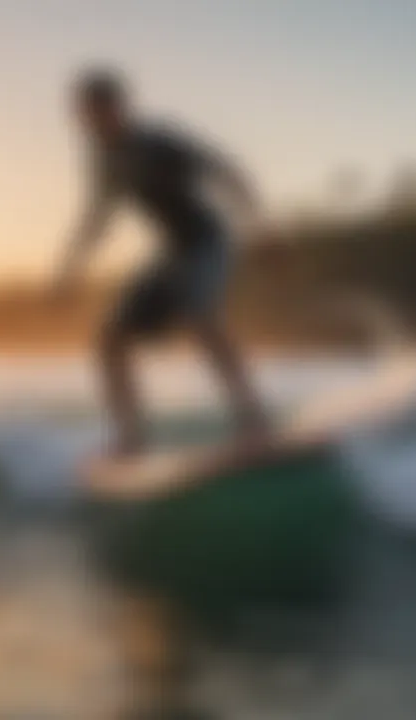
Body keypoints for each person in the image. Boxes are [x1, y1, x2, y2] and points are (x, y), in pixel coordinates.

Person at [52, 67, 271, 456]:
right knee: (110, 340)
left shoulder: (158, 142)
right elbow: (97, 216)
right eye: (84, 113)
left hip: (206, 241)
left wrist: (261, 229)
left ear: (119, 107)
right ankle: (131, 438)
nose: (91, 120)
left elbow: (227, 171)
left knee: (199, 316)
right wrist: (69, 270)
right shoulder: (105, 160)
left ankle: (253, 417)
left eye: (99, 110)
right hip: (171, 253)